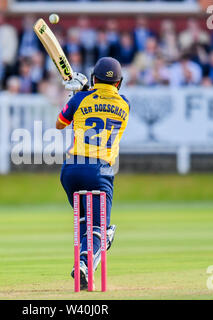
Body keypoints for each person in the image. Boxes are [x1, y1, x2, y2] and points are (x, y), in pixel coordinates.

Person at [56, 57, 130, 289]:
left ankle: (84, 264)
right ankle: (84, 263)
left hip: (71, 171)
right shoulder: (125, 105)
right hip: (100, 171)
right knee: (102, 230)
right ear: (119, 83)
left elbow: (60, 123)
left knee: (85, 221)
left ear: (93, 77)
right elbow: (105, 103)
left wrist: (77, 95)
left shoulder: (80, 98)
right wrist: (88, 92)